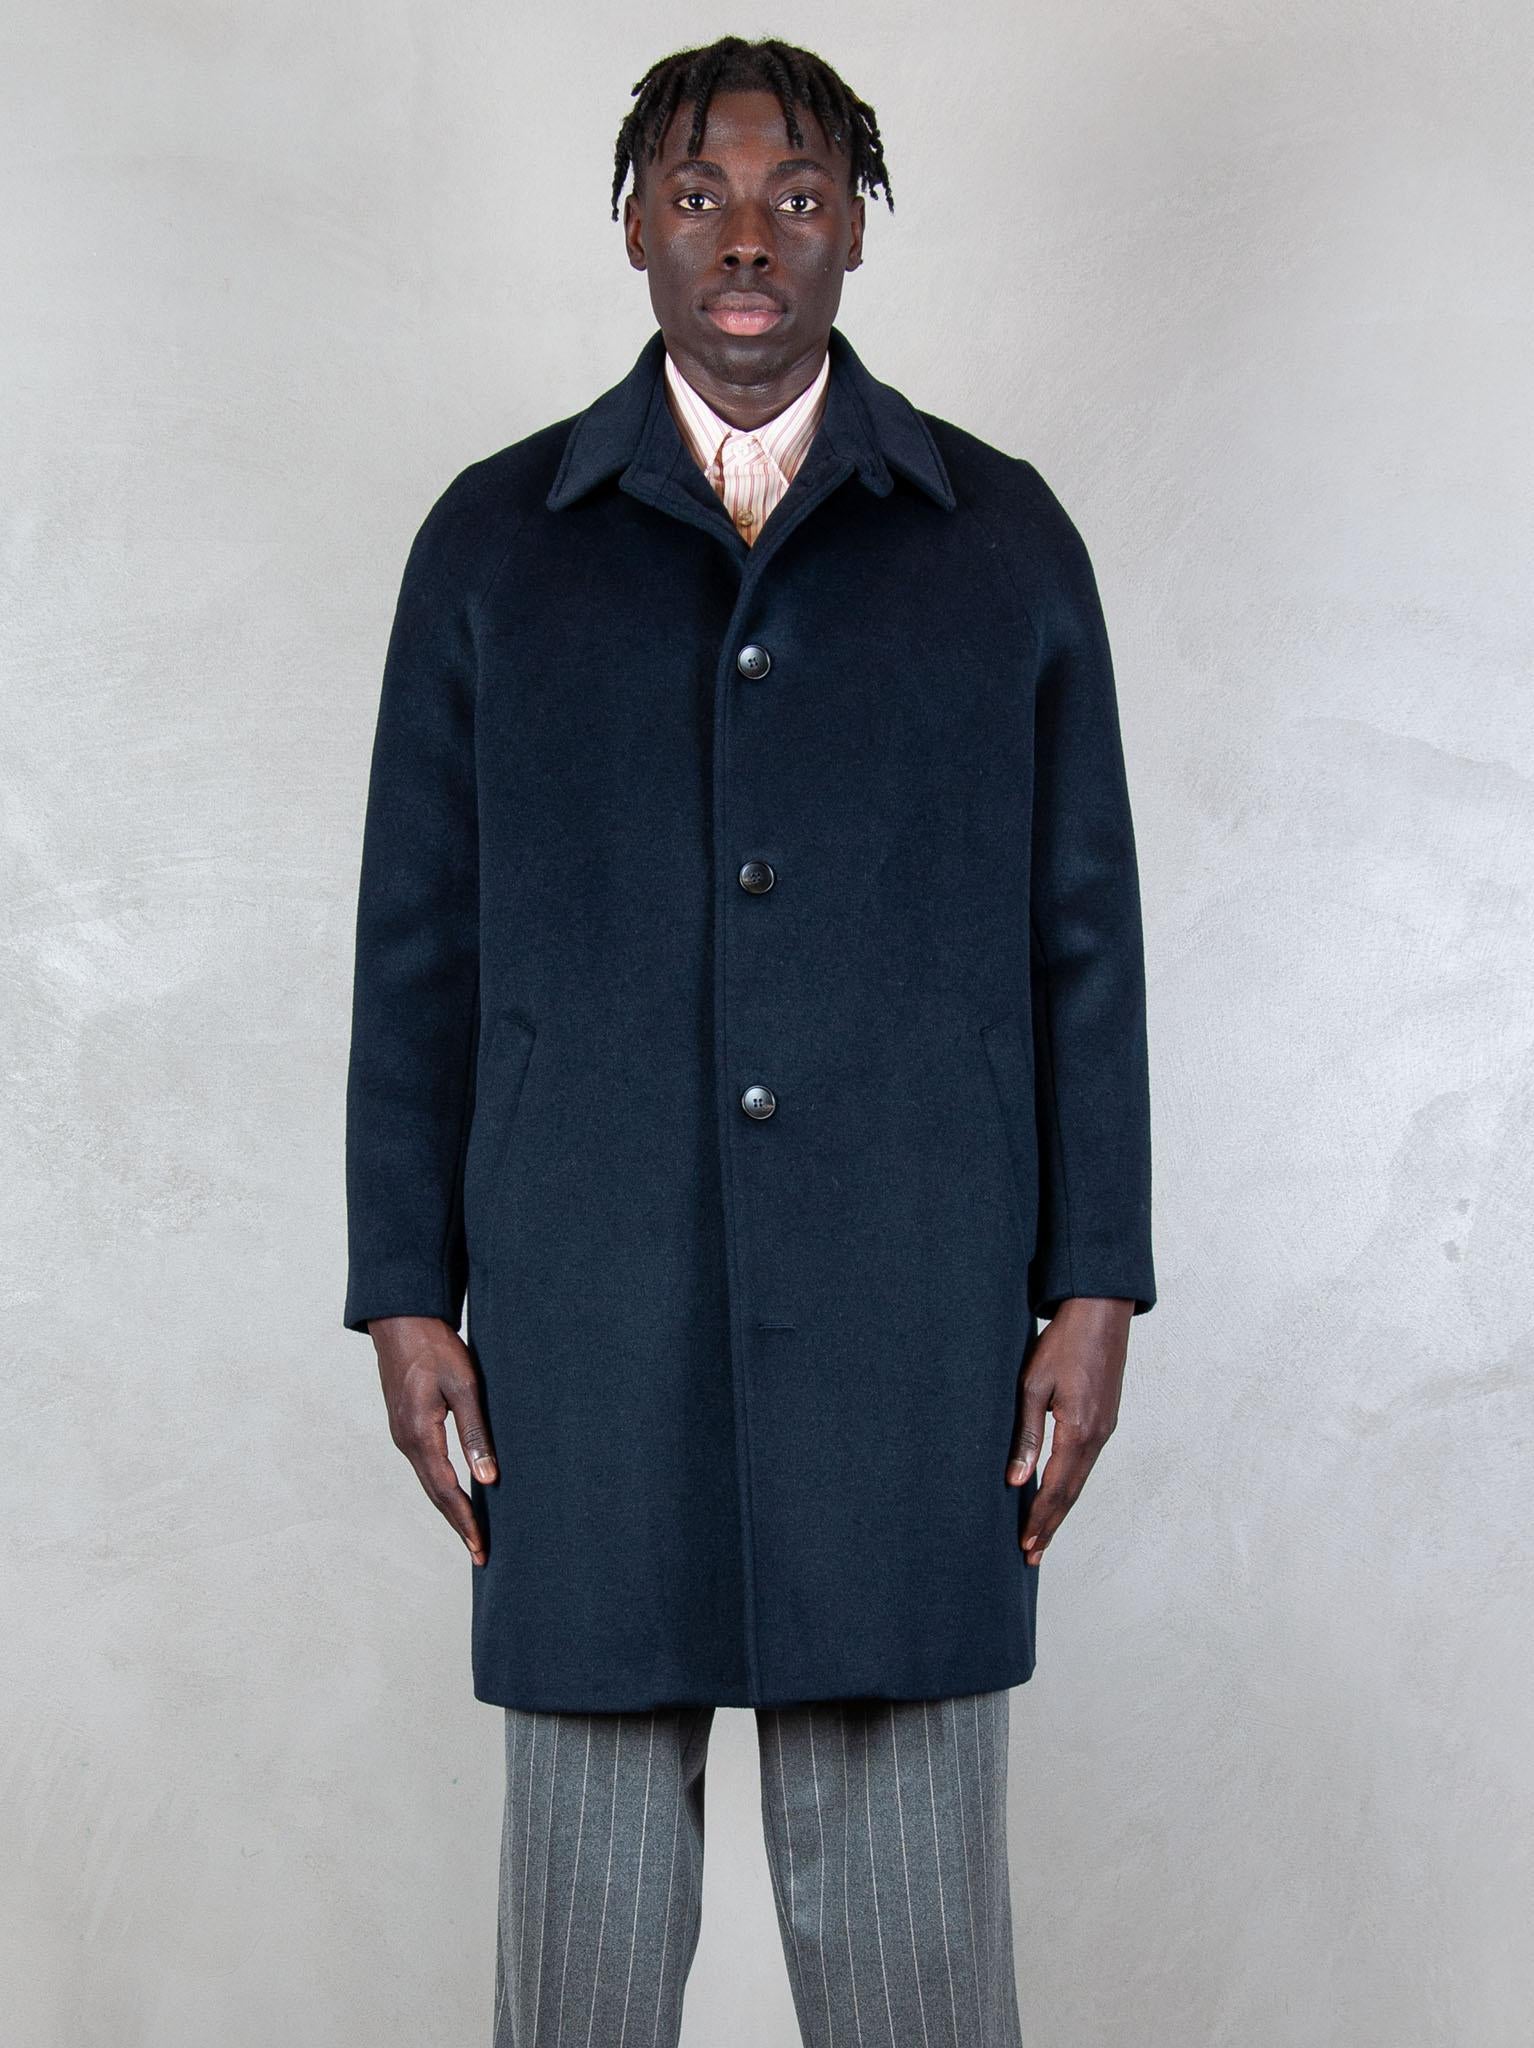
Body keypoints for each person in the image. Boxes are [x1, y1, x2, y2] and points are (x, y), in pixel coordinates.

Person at [342, 33, 1157, 2047]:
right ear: (630, 223)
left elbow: (1083, 942)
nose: (743, 241)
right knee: (582, 1965)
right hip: (585, 1312)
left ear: (855, 229)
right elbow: (416, 945)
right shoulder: (492, 546)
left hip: (910, 1310)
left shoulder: (998, 540)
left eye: (795, 197)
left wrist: (1093, 1281)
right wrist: (402, 1289)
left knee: (914, 1969)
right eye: (695, 194)